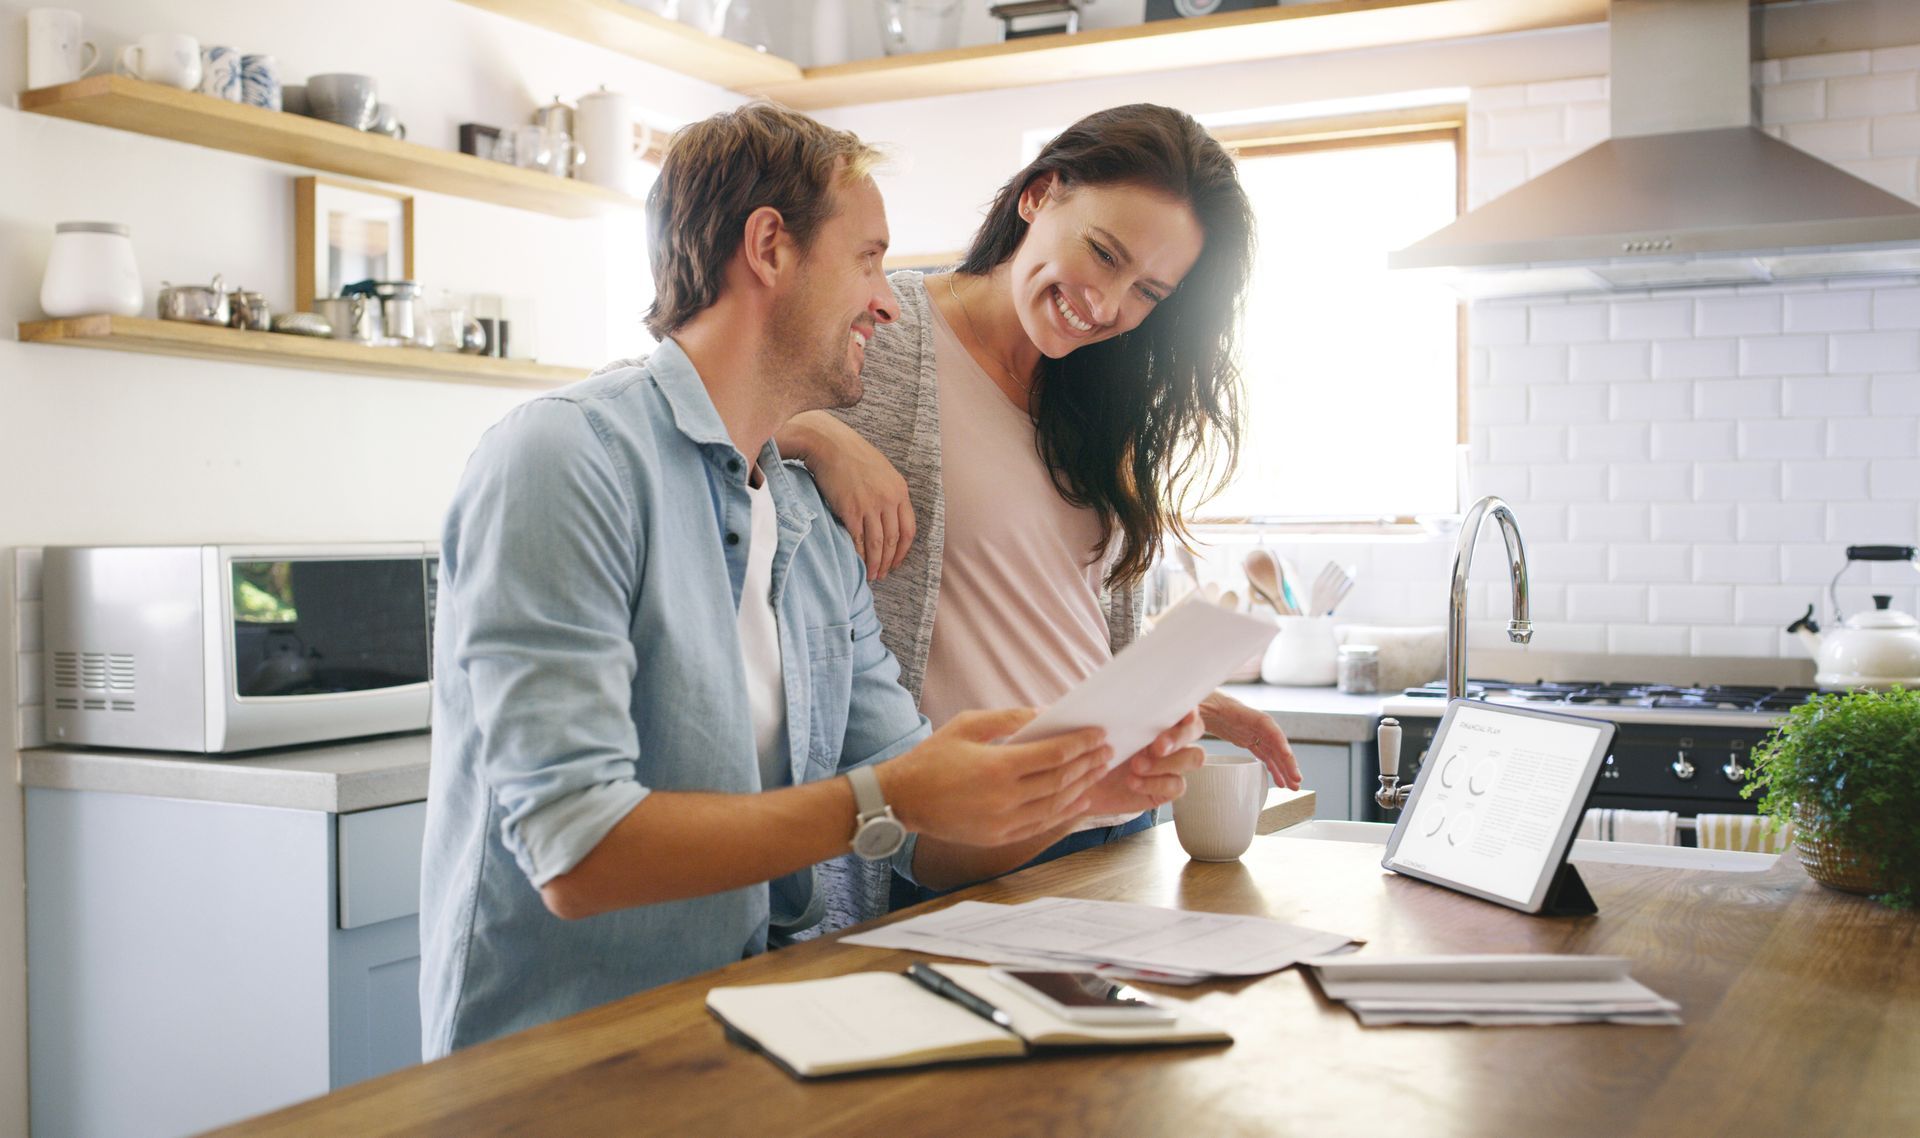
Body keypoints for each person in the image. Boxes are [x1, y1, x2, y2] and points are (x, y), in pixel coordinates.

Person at [418, 102, 1205, 1057]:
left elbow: (925, 835)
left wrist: (1077, 785)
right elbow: (575, 851)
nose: (887, 300)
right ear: (769, 249)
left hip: (749, 1037)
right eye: (870, 259)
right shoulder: (561, 460)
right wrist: (890, 797)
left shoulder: (807, 529)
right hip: (561, 1063)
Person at [777, 104, 1300, 927]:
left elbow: (1061, 617)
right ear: (1039, 194)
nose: (1107, 305)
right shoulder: (884, 329)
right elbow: (689, 391)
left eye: (1149, 291)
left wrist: (1174, 697)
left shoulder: (1101, 396)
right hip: (952, 842)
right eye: (1103, 253)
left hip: (1110, 825)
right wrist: (815, 436)